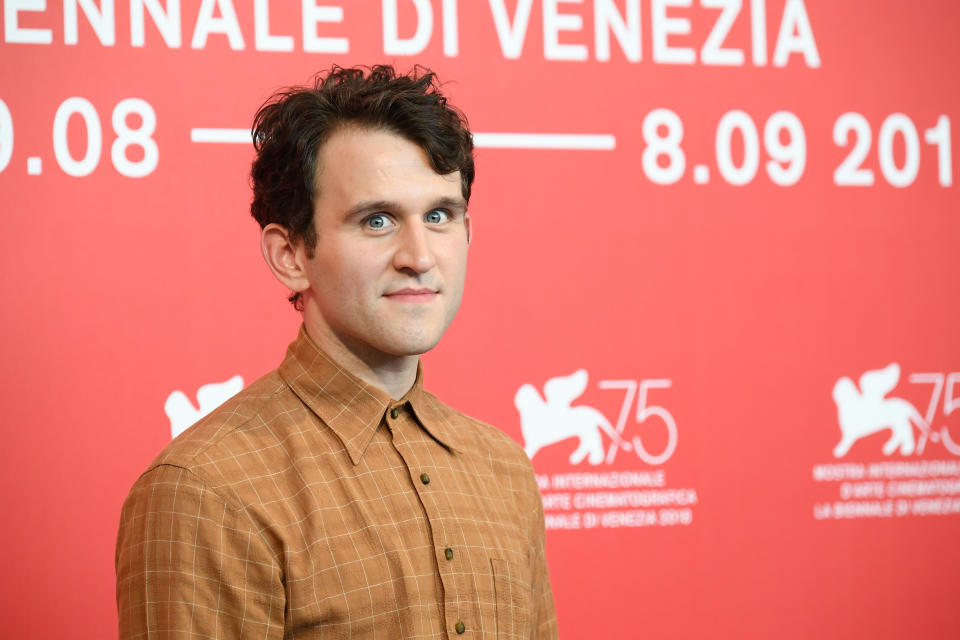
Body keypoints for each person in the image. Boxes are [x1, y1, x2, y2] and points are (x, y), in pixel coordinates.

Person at [115, 65, 558, 639]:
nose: (419, 255)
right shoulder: (205, 491)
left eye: (439, 215)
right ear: (291, 255)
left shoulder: (504, 469)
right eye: (377, 220)